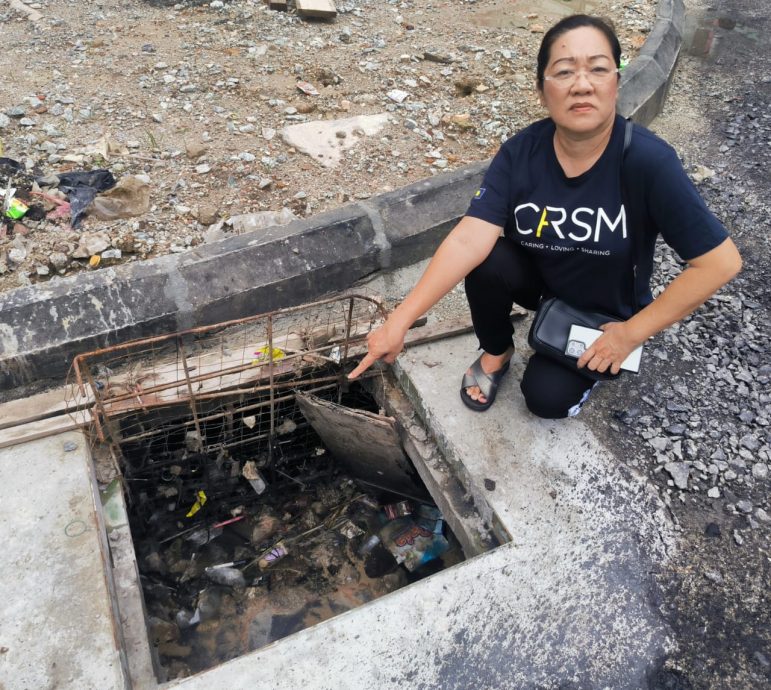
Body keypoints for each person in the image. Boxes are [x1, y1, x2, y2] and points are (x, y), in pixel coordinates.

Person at [348, 14, 741, 419]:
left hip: (602, 310)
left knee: (546, 400)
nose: (582, 84)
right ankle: (497, 351)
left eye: (599, 69)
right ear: (542, 90)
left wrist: (630, 334)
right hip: (540, 285)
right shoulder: (521, 152)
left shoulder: (648, 161)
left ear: (616, 83)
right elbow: (469, 239)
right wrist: (401, 319)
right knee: (488, 260)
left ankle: (573, 365)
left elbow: (718, 262)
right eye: (564, 71)